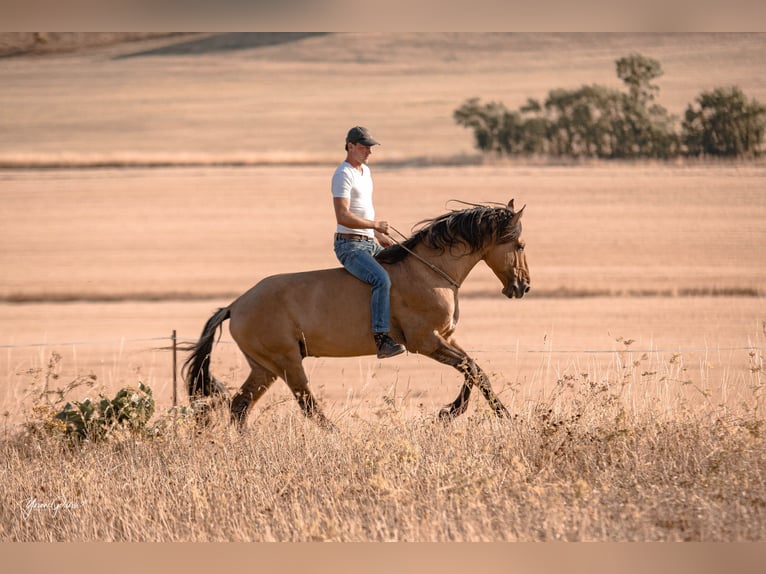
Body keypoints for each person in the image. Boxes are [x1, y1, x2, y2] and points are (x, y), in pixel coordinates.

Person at [331, 126, 406, 359]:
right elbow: (343, 216)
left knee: (404, 265)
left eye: (370, 148)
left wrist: (376, 236)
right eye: (364, 147)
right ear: (350, 146)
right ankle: (382, 339)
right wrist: (374, 226)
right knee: (380, 279)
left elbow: (362, 209)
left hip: (368, 241)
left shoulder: (365, 172)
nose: (369, 152)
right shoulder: (343, 174)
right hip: (350, 246)